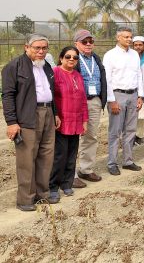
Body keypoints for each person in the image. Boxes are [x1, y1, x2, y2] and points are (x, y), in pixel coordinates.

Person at [2, 34, 59, 211]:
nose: (41, 51)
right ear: (27, 47)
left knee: (46, 155)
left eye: (44, 48)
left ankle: (43, 194)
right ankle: (25, 199)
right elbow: (8, 95)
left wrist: (55, 113)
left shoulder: (47, 66)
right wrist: (12, 122)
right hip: (27, 116)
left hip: (48, 113)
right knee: (27, 159)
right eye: (37, 48)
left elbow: (51, 91)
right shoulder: (14, 67)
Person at [49, 47, 88, 202]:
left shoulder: (78, 75)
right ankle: (53, 186)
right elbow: (51, 97)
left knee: (72, 155)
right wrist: (55, 115)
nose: (71, 59)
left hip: (76, 121)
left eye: (75, 57)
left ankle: (67, 183)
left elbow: (83, 100)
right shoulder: (55, 73)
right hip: (61, 121)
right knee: (59, 155)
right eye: (68, 56)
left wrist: (85, 121)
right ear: (61, 58)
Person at [103, 27, 143, 175]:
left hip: (133, 95)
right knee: (115, 131)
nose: (129, 39)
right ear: (118, 38)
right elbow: (107, 79)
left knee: (131, 130)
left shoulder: (134, 55)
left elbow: (138, 75)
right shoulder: (110, 55)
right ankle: (112, 163)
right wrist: (111, 100)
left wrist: (140, 96)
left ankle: (128, 161)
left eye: (130, 37)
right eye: (126, 37)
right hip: (117, 95)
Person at [73, 29, 106, 187]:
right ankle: (70, 174)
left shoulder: (96, 58)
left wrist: (101, 99)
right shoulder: (72, 57)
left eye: (90, 41)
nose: (88, 44)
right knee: (73, 137)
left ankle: (85, 169)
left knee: (91, 136)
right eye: (84, 41)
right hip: (76, 103)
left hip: (94, 101)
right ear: (76, 44)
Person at [132, 35, 144, 147]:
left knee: (141, 115)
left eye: (140, 45)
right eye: (136, 45)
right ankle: (128, 136)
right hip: (130, 89)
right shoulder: (129, 57)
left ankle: (138, 136)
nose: (138, 47)